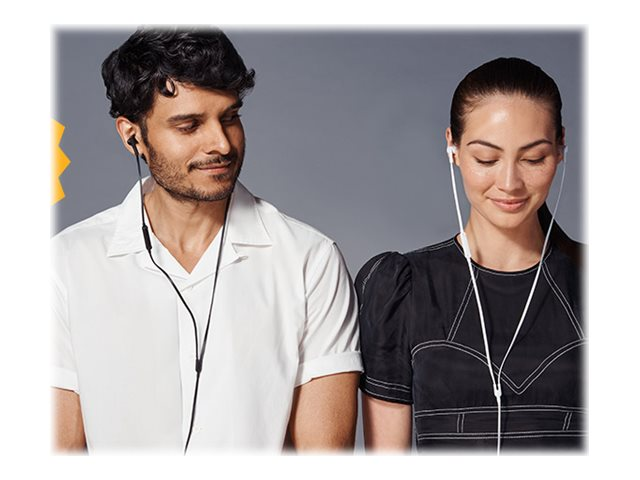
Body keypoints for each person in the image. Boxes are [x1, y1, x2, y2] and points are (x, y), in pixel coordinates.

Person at [51, 27, 362, 453]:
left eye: (230, 117)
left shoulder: (311, 260)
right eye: (189, 125)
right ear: (132, 136)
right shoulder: (65, 263)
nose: (221, 143)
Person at [356, 57, 585, 452]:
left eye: (533, 158)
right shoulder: (400, 290)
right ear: (453, 147)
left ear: (561, 146)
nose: (509, 183)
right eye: (486, 159)